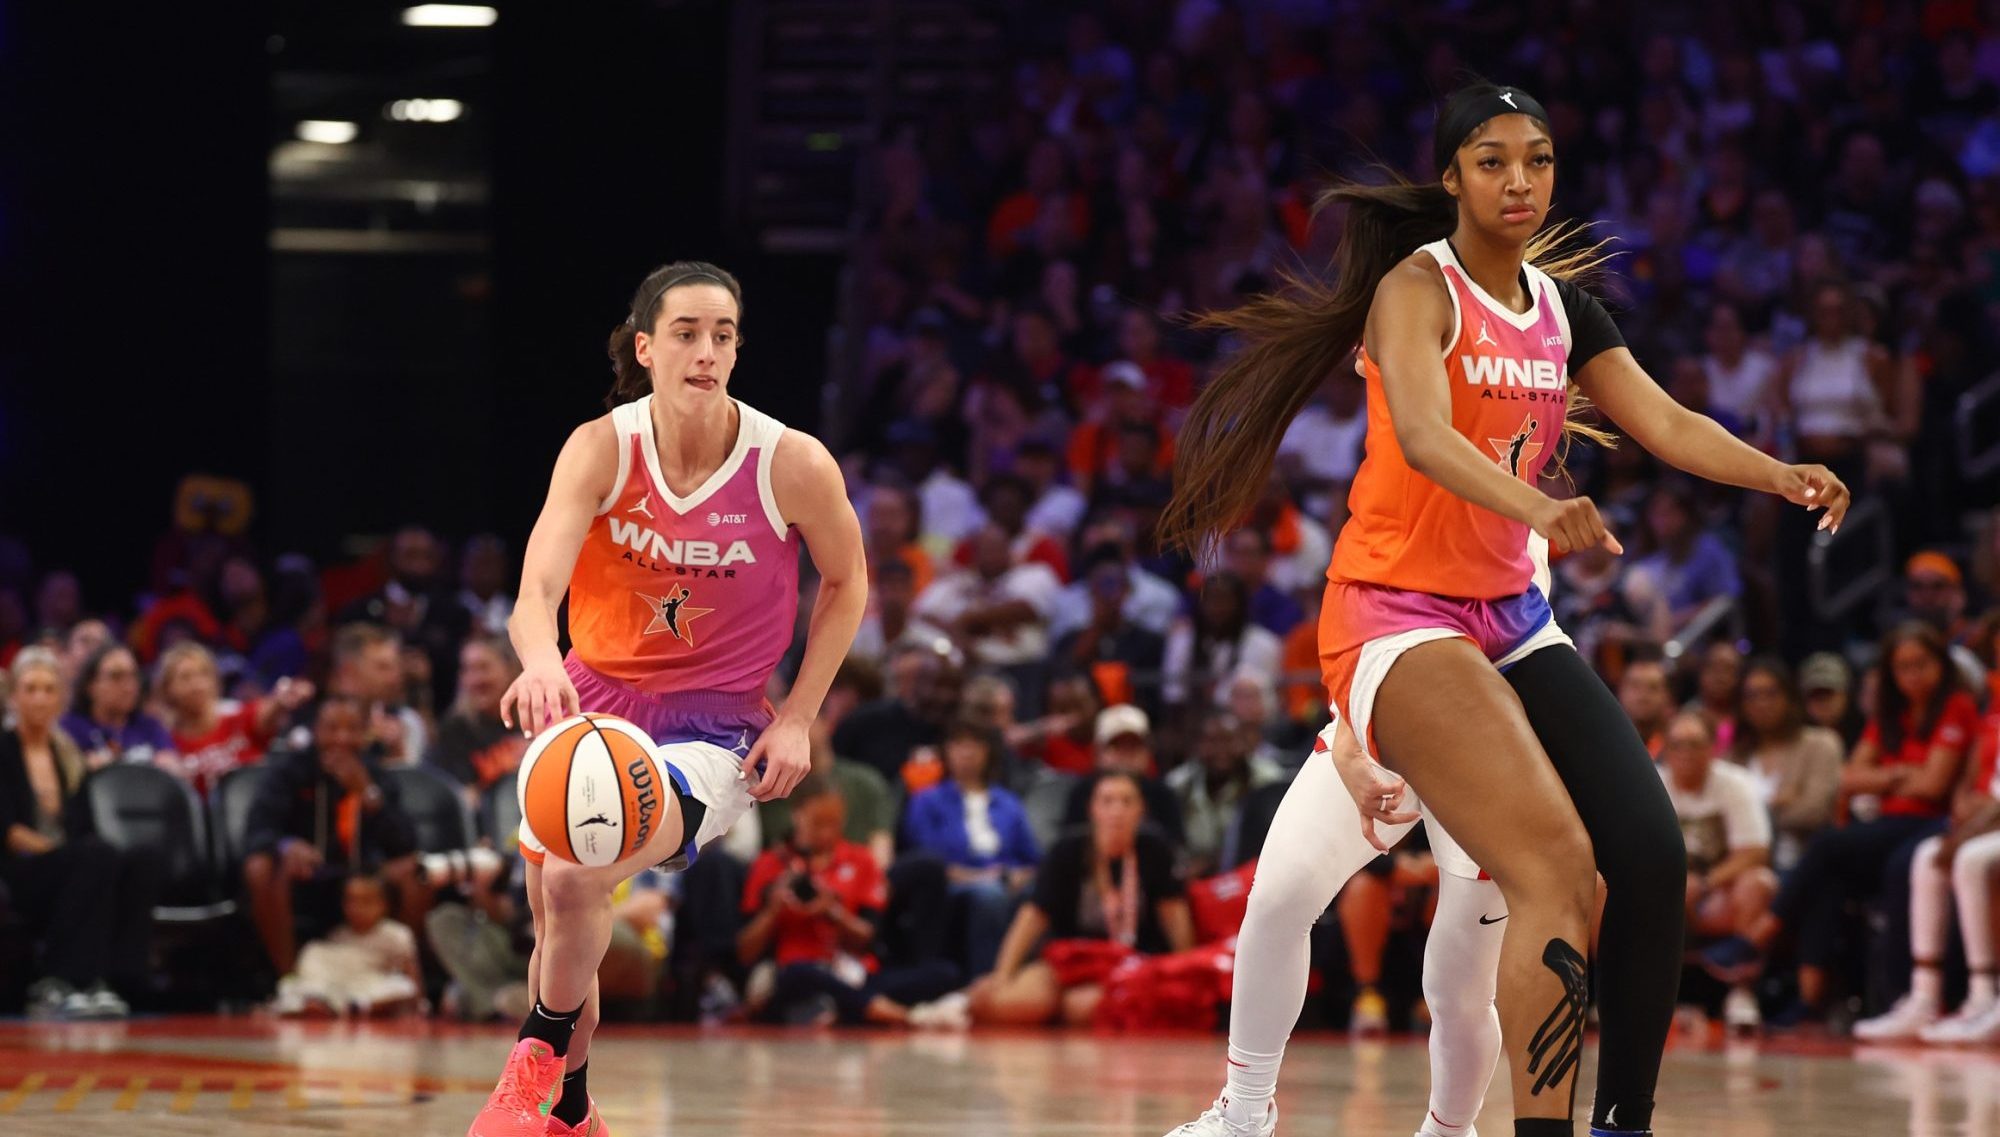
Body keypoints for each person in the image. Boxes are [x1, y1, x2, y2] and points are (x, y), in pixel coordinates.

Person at [1156, 82, 1849, 1137]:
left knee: (1647, 854)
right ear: (1450, 178)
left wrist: (1776, 473)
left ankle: (1618, 1121)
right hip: (1395, 614)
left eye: (1536, 159)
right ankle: (1273, 1109)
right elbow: (1428, 437)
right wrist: (1543, 506)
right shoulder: (1412, 290)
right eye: (1491, 160)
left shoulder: (1564, 310)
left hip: (1510, 615)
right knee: (1550, 867)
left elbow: (1661, 419)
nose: (1518, 180)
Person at [468, 261, 865, 1137]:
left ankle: (527, 1070)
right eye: (686, 332)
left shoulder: (789, 461)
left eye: (723, 334)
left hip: (713, 725)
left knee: (577, 876)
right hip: (588, 700)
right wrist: (538, 663)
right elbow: (536, 591)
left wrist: (798, 715)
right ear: (647, 348)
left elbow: (848, 580)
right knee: (559, 919)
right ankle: (572, 1109)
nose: (707, 350)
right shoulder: (602, 446)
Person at [1706, 623, 1979, 1025]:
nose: (1912, 675)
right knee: (1830, 876)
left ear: (1941, 664)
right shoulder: (1891, 711)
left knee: (1829, 846)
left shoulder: (1956, 706)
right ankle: (1808, 1001)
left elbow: (1935, 784)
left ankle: (1758, 936)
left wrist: (1885, 775)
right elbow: (1849, 778)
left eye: (1921, 664)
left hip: (1931, 822)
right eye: (1902, 667)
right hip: (1890, 824)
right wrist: (1902, 775)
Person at [0, 647, 158, 1018]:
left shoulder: (68, 755)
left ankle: (115, 981)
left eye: (49, 689)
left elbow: (84, 825)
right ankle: (61, 979)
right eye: (30, 688)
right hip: (18, 868)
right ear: (13, 696)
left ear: (62, 697)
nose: (40, 698)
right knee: (94, 857)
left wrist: (77, 858)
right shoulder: (3, 749)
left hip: (67, 864)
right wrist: (67, 856)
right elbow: (7, 831)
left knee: (140, 861)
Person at [966, 771, 1192, 1025]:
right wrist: (1003, 975)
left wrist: (1183, 978)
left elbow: (1174, 918)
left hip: (1133, 963)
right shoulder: (1067, 850)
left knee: (1081, 1008)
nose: (1117, 810)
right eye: (1107, 801)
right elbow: (1033, 916)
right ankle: (954, 1006)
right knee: (1006, 1003)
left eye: (1126, 801)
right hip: (1069, 960)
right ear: (1093, 809)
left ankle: (1062, 1015)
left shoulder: (1156, 851)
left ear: (1141, 809)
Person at [738, 775, 958, 1027]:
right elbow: (745, 953)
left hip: (853, 973)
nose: (827, 832)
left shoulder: (860, 859)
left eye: (835, 823)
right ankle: (891, 1013)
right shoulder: (769, 864)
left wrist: (833, 912)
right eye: (818, 823)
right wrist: (773, 910)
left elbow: (870, 939)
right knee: (798, 974)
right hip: (797, 973)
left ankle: (840, 1009)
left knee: (944, 974)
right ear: (796, 814)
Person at [242, 695, 422, 978]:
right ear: (315, 731)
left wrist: (368, 794)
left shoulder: (374, 772)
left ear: (364, 735)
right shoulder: (290, 770)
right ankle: (290, 981)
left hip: (363, 874)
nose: (341, 739)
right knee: (260, 867)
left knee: (415, 872)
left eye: (351, 729)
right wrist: (286, 845)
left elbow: (406, 843)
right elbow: (258, 830)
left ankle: (399, 974)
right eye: (332, 728)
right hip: (308, 875)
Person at [1658, 711, 1776, 1033]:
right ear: (1665, 749)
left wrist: (1707, 882)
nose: (1685, 753)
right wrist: (1674, 884)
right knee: (1604, 889)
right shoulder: (1651, 784)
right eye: (1677, 744)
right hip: (1662, 893)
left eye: (1695, 744)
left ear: (1713, 748)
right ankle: (1622, 994)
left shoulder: (1736, 783)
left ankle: (1741, 993)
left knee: (1760, 884)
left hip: (1717, 895)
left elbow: (1755, 852)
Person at [901, 719, 1039, 975]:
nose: (968, 752)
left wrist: (1020, 876)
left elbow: (1033, 859)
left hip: (1008, 881)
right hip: (954, 883)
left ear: (988, 752)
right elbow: (927, 863)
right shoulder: (926, 800)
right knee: (989, 895)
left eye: (976, 744)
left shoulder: (1008, 803)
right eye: (959, 744)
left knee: (1039, 894)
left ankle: (1029, 982)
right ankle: (987, 983)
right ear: (946, 751)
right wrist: (986, 877)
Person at [157, 641, 314, 795]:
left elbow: (268, 712)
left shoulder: (236, 718)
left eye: (204, 674)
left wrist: (282, 700)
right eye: (185, 678)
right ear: (167, 689)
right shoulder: (166, 743)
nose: (197, 685)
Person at [1731, 658, 1842, 871]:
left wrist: (1750, 814)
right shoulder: (1734, 757)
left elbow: (1814, 811)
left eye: (1771, 693)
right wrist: (1779, 803)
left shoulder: (1821, 744)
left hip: (1806, 864)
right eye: (1752, 696)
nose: (1762, 703)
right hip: (1745, 866)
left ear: (1789, 697)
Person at [272, 872, 425, 1018]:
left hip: (372, 987)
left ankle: (355, 1007)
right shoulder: (338, 935)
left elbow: (411, 980)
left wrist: (417, 1003)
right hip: (340, 986)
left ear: (383, 904)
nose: (357, 908)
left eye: (366, 901)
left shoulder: (397, 934)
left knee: (402, 988)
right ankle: (316, 1002)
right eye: (351, 901)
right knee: (313, 952)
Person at [426, 635, 529, 797]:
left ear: (510, 669)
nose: (475, 679)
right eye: (467, 670)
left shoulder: (534, 718)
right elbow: (458, 798)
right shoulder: (454, 731)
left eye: (484, 668)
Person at [61, 643, 178, 770]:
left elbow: (171, 764)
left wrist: (170, 765)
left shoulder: (150, 727)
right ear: (91, 685)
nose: (128, 687)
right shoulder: (68, 730)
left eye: (133, 676)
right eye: (116, 677)